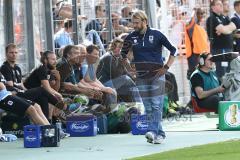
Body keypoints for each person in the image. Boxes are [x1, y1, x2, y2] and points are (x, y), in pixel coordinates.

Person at [121, 10, 176, 144]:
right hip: (141, 76)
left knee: (156, 105)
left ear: (145, 22)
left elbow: (173, 50)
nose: (134, 25)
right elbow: (122, 55)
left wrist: (166, 67)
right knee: (148, 106)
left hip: (157, 74)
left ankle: (152, 131)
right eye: (133, 22)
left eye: (136, 22)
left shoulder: (157, 34)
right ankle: (160, 134)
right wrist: (130, 70)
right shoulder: (130, 37)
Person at [206, 0, 236, 79]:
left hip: (228, 49)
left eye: (221, 4)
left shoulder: (224, 17)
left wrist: (225, 29)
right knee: (222, 73)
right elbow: (226, 30)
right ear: (213, 7)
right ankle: (220, 90)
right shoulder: (212, 18)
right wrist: (226, 30)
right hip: (220, 50)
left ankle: (227, 90)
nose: (221, 5)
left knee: (229, 72)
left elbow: (234, 26)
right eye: (218, 4)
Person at [185, 8, 210, 79]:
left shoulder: (201, 28)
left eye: (202, 13)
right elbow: (190, 21)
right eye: (198, 13)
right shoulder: (190, 26)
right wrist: (194, 12)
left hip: (203, 56)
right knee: (194, 77)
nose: (200, 15)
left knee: (202, 77)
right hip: (194, 56)